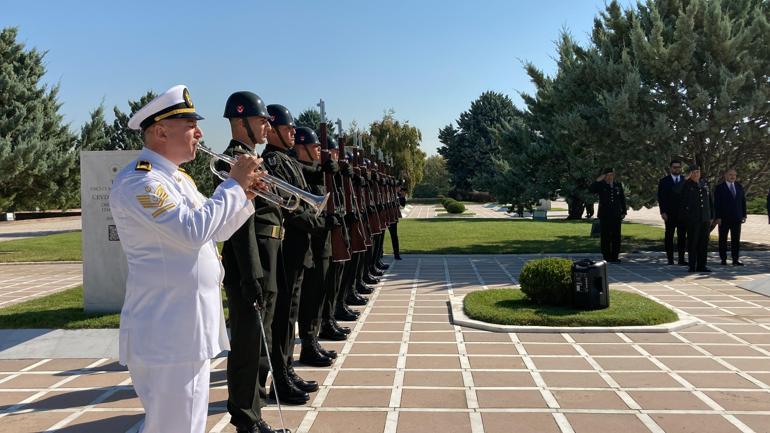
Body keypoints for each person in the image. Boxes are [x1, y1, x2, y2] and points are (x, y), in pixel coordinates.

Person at [109, 85, 264, 433]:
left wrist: (246, 197)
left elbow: (214, 233)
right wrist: (232, 186)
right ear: (161, 131)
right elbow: (192, 231)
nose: (200, 132)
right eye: (191, 124)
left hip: (184, 329)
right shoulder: (141, 181)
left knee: (184, 425)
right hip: (168, 330)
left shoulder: (176, 178)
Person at [217, 91, 289, 433]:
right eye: (261, 121)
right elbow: (240, 225)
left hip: (266, 257)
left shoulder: (254, 161)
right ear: (241, 121)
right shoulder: (229, 162)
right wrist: (251, 273)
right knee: (247, 341)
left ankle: (254, 409)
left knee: (260, 341)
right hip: (250, 262)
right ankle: (245, 417)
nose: (266, 126)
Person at [263, 104, 324, 405]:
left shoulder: (287, 161)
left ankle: (287, 369)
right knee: (283, 317)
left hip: (299, 249)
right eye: (287, 129)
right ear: (273, 130)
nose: (292, 134)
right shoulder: (272, 161)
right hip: (287, 249)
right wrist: (314, 220)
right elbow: (288, 203)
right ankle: (281, 376)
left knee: (290, 314)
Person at [679, 165, 715, 273]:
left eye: (698, 172)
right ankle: (692, 265)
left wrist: (712, 215)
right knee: (693, 243)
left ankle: (702, 265)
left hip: (705, 218)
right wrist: (685, 179)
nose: (696, 174)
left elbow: (710, 201)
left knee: (703, 243)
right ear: (690, 174)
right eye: (694, 172)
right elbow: (675, 190)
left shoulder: (704, 183)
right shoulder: (686, 184)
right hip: (693, 219)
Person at [589, 168, 627, 263]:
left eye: (611, 174)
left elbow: (622, 199)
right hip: (605, 214)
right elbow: (591, 189)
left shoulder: (618, 185)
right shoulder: (601, 185)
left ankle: (615, 255)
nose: (610, 177)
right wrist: (599, 179)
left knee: (616, 236)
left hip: (616, 214)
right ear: (605, 176)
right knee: (605, 236)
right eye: (608, 175)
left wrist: (624, 211)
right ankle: (606, 256)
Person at [657, 159, 688, 265]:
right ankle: (670, 259)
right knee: (669, 236)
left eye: (678, 167)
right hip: (669, 213)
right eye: (674, 167)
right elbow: (661, 198)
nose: (676, 169)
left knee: (682, 237)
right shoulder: (664, 181)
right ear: (670, 168)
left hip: (683, 214)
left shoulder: (685, 180)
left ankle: (681, 259)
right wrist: (663, 212)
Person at [714, 168, 747, 266]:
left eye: (734, 175)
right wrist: (718, 217)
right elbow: (717, 204)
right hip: (723, 218)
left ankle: (735, 259)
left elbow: (743, 201)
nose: (733, 177)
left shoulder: (739, 186)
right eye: (730, 174)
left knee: (736, 240)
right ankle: (723, 259)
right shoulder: (719, 188)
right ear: (725, 175)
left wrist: (744, 215)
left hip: (737, 218)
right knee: (723, 239)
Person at [388, 180, 406, 260]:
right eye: (398, 187)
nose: (400, 188)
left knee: (394, 235)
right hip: (385, 216)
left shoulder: (398, 194)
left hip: (393, 217)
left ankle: (396, 254)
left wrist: (402, 196)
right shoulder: (388, 193)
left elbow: (403, 205)